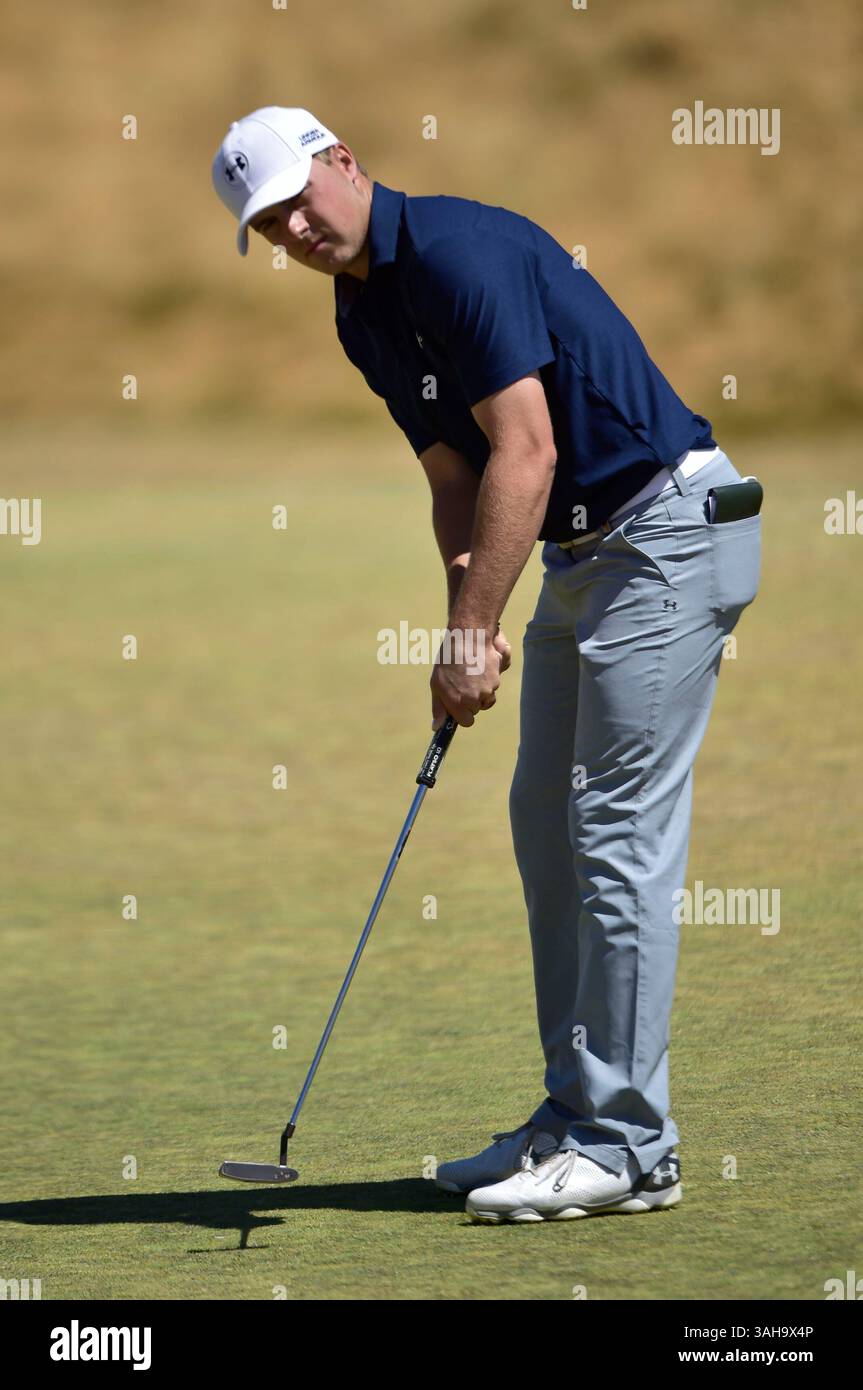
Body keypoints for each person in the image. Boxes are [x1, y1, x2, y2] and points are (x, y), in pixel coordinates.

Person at [212, 107, 762, 1224]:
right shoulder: (360, 314)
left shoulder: (457, 250)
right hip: (582, 551)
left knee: (611, 833)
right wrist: (466, 611)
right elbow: (455, 476)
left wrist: (469, 633)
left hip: (664, 532)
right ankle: (573, 1113)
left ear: (343, 164)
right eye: (267, 224)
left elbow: (529, 445)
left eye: (296, 200)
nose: (292, 230)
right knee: (543, 823)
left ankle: (625, 1142)